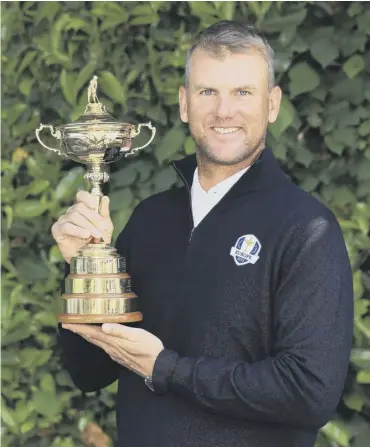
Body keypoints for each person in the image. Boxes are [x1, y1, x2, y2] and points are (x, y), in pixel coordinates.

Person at [54, 21, 354, 447]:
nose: (223, 111)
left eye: (243, 93)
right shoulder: (150, 219)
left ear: (272, 104)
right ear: (184, 103)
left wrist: (165, 368)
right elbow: (89, 373)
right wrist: (78, 266)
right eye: (207, 92)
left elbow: (309, 392)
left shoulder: (307, 229)